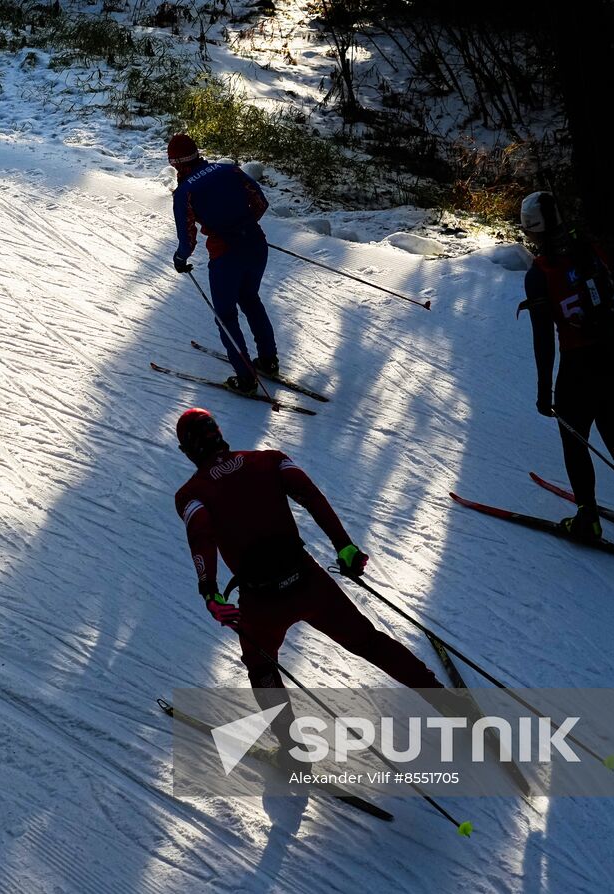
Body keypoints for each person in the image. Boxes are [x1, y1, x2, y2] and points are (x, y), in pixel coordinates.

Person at [172, 408, 445, 765]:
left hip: (262, 601)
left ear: (187, 451)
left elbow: (202, 534)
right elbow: (311, 495)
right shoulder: (270, 460)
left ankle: (294, 751)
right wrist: (344, 547)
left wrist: (210, 591)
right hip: (309, 582)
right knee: (368, 642)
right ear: (219, 433)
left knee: (262, 668)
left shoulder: (191, 494)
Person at [519, 190, 614, 540]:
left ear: (533, 230)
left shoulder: (539, 272)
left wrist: (543, 390)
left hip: (578, 367)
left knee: (575, 438)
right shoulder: (593, 248)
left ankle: (587, 518)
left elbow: (544, 338)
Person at [168, 134, 278, 395]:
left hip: (226, 255)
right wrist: (244, 225)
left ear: (177, 163)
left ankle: (247, 379)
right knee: (250, 299)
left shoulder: (184, 191)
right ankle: (268, 361)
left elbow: (187, 237)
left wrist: (181, 258)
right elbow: (261, 202)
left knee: (226, 316)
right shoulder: (229, 169)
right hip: (256, 245)